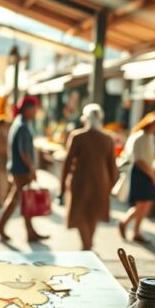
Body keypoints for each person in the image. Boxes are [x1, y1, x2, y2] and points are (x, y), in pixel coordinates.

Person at [61, 104, 117, 251]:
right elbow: (113, 165)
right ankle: (88, 243)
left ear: (84, 118)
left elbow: (67, 162)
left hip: (80, 180)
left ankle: (86, 244)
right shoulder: (107, 138)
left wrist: (63, 181)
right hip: (101, 180)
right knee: (93, 213)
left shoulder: (77, 136)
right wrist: (112, 183)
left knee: (80, 212)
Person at [0, 96, 47, 242]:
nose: (36, 112)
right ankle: (3, 226)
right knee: (21, 199)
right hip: (21, 169)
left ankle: (26, 230)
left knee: (21, 199)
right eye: (34, 109)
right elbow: (24, 151)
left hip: (18, 168)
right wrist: (32, 168)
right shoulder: (22, 126)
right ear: (27, 109)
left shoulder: (19, 123)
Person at [118, 112, 155, 243]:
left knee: (146, 204)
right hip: (140, 173)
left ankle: (134, 229)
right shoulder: (139, 137)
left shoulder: (151, 137)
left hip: (148, 171)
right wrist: (153, 176)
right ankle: (127, 224)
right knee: (142, 203)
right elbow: (140, 161)